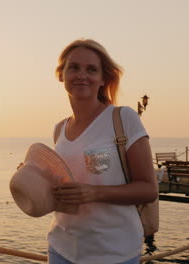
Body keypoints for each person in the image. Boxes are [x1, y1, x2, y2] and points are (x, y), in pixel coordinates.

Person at [47, 39, 158, 264]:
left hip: (113, 253)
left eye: (91, 69)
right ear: (61, 74)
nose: (82, 75)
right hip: (61, 248)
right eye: (74, 67)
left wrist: (93, 193)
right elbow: (66, 182)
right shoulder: (59, 129)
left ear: (103, 79)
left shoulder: (123, 118)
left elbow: (148, 190)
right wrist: (38, 176)